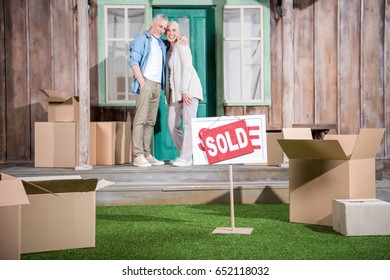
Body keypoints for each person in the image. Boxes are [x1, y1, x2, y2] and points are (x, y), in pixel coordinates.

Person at [129, 14, 169, 168]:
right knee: (140, 120)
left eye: (164, 28)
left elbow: (173, 41)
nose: (162, 30)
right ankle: (137, 155)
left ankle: (147, 154)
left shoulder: (160, 43)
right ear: (152, 23)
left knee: (150, 121)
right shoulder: (141, 40)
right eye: (160, 26)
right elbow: (133, 62)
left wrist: (181, 37)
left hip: (157, 84)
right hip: (145, 82)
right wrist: (142, 82)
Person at [165, 21, 203, 167]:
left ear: (179, 32)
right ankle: (185, 154)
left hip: (189, 90)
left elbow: (187, 67)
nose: (171, 33)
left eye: (174, 30)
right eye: (168, 30)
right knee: (171, 124)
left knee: (188, 123)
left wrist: (185, 90)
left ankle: (186, 157)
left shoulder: (182, 45)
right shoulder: (169, 49)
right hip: (176, 94)